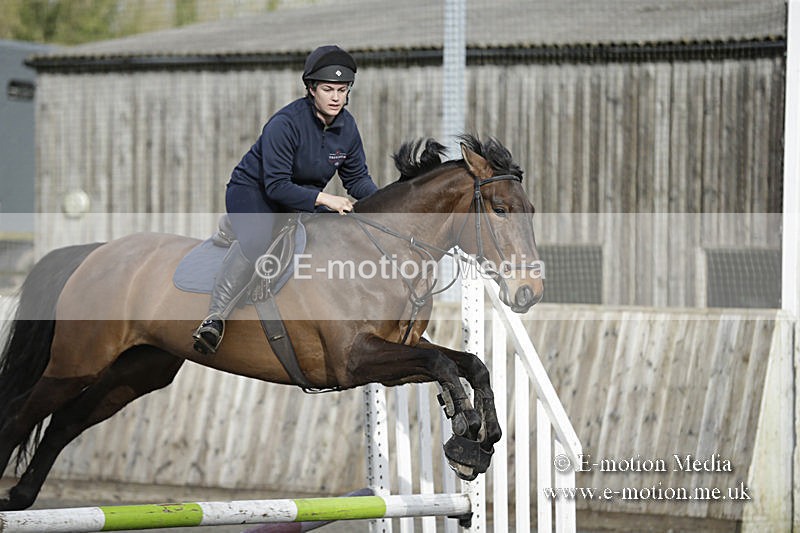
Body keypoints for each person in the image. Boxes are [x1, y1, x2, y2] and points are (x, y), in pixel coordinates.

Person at [193, 45, 378, 355]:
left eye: (342, 90)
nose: (335, 97)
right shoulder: (285, 123)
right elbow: (277, 186)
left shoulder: (347, 128)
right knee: (258, 240)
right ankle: (214, 317)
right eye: (328, 89)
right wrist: (327, 199)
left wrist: (387, 204)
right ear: (311, 89)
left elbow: (357, 179)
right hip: (255, 193)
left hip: (302, 200)